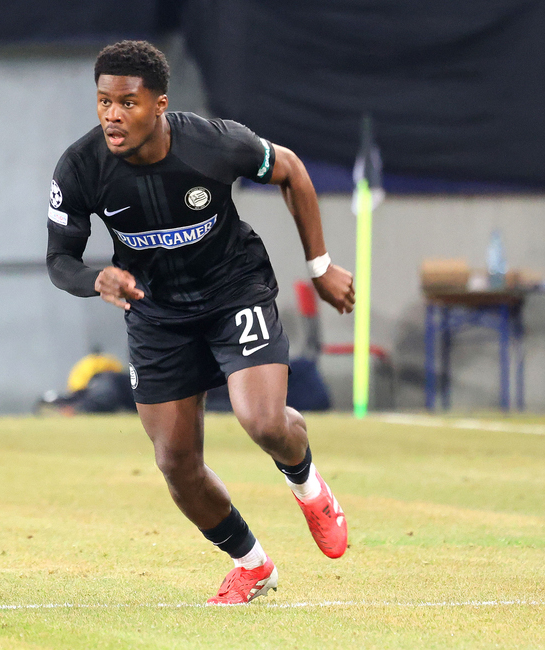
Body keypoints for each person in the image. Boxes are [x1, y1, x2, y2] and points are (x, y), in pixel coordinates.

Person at [46, 41, 356, 604]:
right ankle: (253, 565)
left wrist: (321, 266)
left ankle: (310, 489)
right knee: (176, 464)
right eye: (103, 102)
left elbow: (292, 171)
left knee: (262, 422)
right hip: (157, 315)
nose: (112, 115)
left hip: (234, 291)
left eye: (127, 103)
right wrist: (96, 279)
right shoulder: (80, 167)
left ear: (159, 104)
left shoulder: (212, 143)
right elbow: (59, 259)